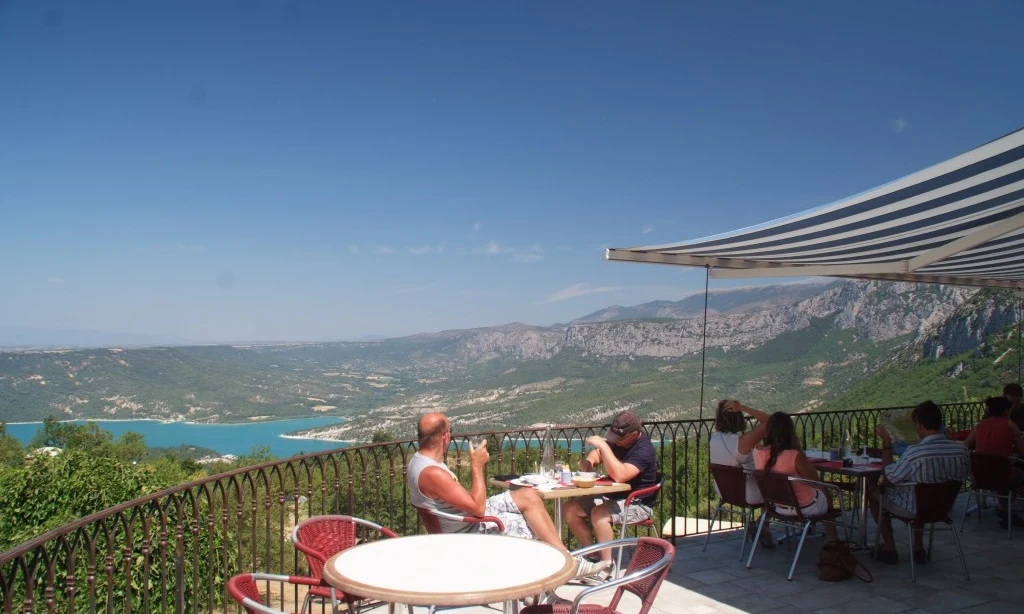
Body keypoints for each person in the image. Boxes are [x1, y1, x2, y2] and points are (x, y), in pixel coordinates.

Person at [408, 412, 610, 588]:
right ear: (445, 437)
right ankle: (555, 576)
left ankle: (566, 560)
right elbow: (478, 509)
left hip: (462, 520)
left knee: (528, 495)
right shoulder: (433, 473)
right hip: (468, 529)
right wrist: (477, 466)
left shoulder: (419, 462)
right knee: (528, 522)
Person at [871, 401, 970, 564]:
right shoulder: (962, 450)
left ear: (919, 425)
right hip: (944, 508)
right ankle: (918, 547)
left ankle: (889, 547)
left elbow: (890, 476)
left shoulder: (915, 453)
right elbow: (965, 474)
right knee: (922, 489)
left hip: (915, 509)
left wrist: (887, 445)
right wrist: (952, 442)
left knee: (874, 493)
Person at [563, 410, 658, 574]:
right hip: (613, 496)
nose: (617, 442)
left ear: (634, 434)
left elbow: (621, 475)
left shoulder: (644, 450)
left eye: (620, 438)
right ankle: (592, 555)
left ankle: (607, 564)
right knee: (570, 508)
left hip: (637, 503)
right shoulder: (619, 443)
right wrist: (590, 461)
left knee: (599, 514)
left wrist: (603, 445)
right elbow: (599, 454)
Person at [752, 412, 841, 542]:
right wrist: (799, 449)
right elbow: (814, 480)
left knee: (820, 492)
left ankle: (818, 532)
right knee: (824, 490)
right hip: (804, 507)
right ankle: (834, 540)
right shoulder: (793, 455)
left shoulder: (757, 452)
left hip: (779, 507)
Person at [709, 400, 775, 548]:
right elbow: (770, 421)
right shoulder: (742, 441)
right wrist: (743, 407)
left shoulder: (715, 438)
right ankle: (762, 525)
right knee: (778, 489)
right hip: (746, 493)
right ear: (740, 419)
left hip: (724, 491)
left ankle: (761, 527)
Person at [965, 396, 1024, 527]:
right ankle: (1005, 510)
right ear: (1006, 411)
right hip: (1003, 474)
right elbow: (1022, 451)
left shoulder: (980, 425)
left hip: (980, 476)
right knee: (1019, 477)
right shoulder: (1010, 425)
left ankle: (1003, 510)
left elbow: (966, 445)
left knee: (999, 473)